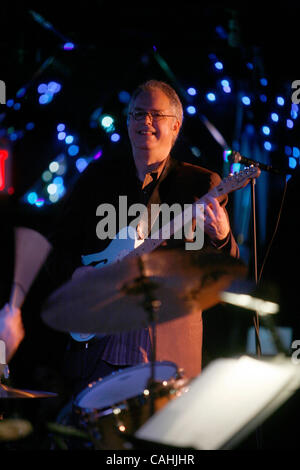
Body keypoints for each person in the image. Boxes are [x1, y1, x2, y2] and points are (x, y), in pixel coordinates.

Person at [44, 79, 239, 399]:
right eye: (137, 114)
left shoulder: (200, 183)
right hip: (100, 343)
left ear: (176, 126)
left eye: (155, 115)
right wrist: (76, 274)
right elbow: (57, 248)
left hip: (169, 348)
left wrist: (221, 236)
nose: (144, 122)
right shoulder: (97, 178)